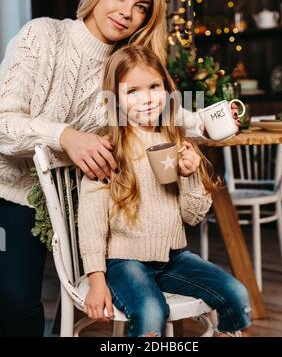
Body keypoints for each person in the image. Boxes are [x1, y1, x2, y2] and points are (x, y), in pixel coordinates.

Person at [0, 0, 240, 336]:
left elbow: (172, 114)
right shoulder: (43, 36)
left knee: (78, 295)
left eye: (140, 7)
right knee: (17, 303)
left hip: (82, 198)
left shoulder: (124, 69)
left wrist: (215, 120)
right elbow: (3, 123)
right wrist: (65, 135)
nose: (127, 12)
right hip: (16, 193)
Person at [78, 45, 251, 338]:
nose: (146, 99)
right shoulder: (108, 151)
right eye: (132, 91)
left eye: (154, 87)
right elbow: (91, 223)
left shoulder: (177, 142)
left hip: (174, 258)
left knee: (236, 293)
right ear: (115, 98)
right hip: (124, 261)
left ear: (167, 90)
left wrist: (190, 175)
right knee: (151, 311)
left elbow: (193, 216)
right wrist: (97, 279)